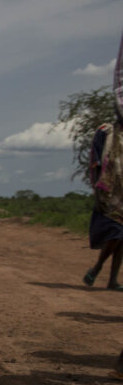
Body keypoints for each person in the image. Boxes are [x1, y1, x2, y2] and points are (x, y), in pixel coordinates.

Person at [82, 110, 123, 289]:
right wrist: (98, 187)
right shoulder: (105, 132)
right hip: (110, 192)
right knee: (116, 233)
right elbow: (96, 162)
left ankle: (112, 280)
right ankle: (97, 268)